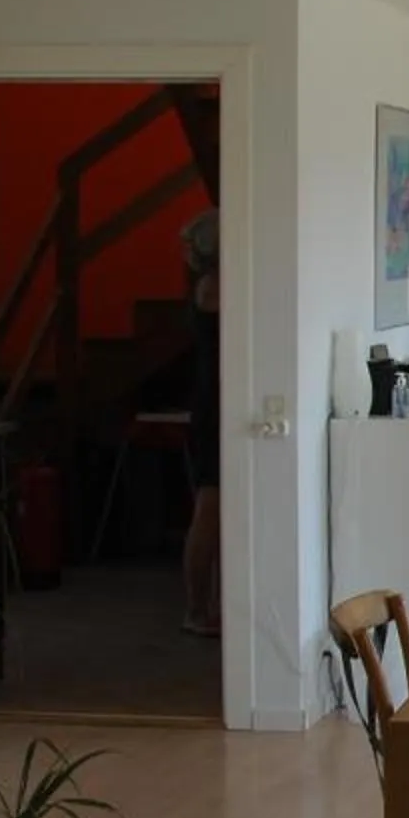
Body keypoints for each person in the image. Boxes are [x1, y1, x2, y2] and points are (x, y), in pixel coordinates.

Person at [179, 206, 221, 636]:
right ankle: (195, 609)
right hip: (213, 408)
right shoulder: (213, 288)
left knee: (216, 510)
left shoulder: (212, 284)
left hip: (216, 402)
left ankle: (211, 606)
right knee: (209, 509)